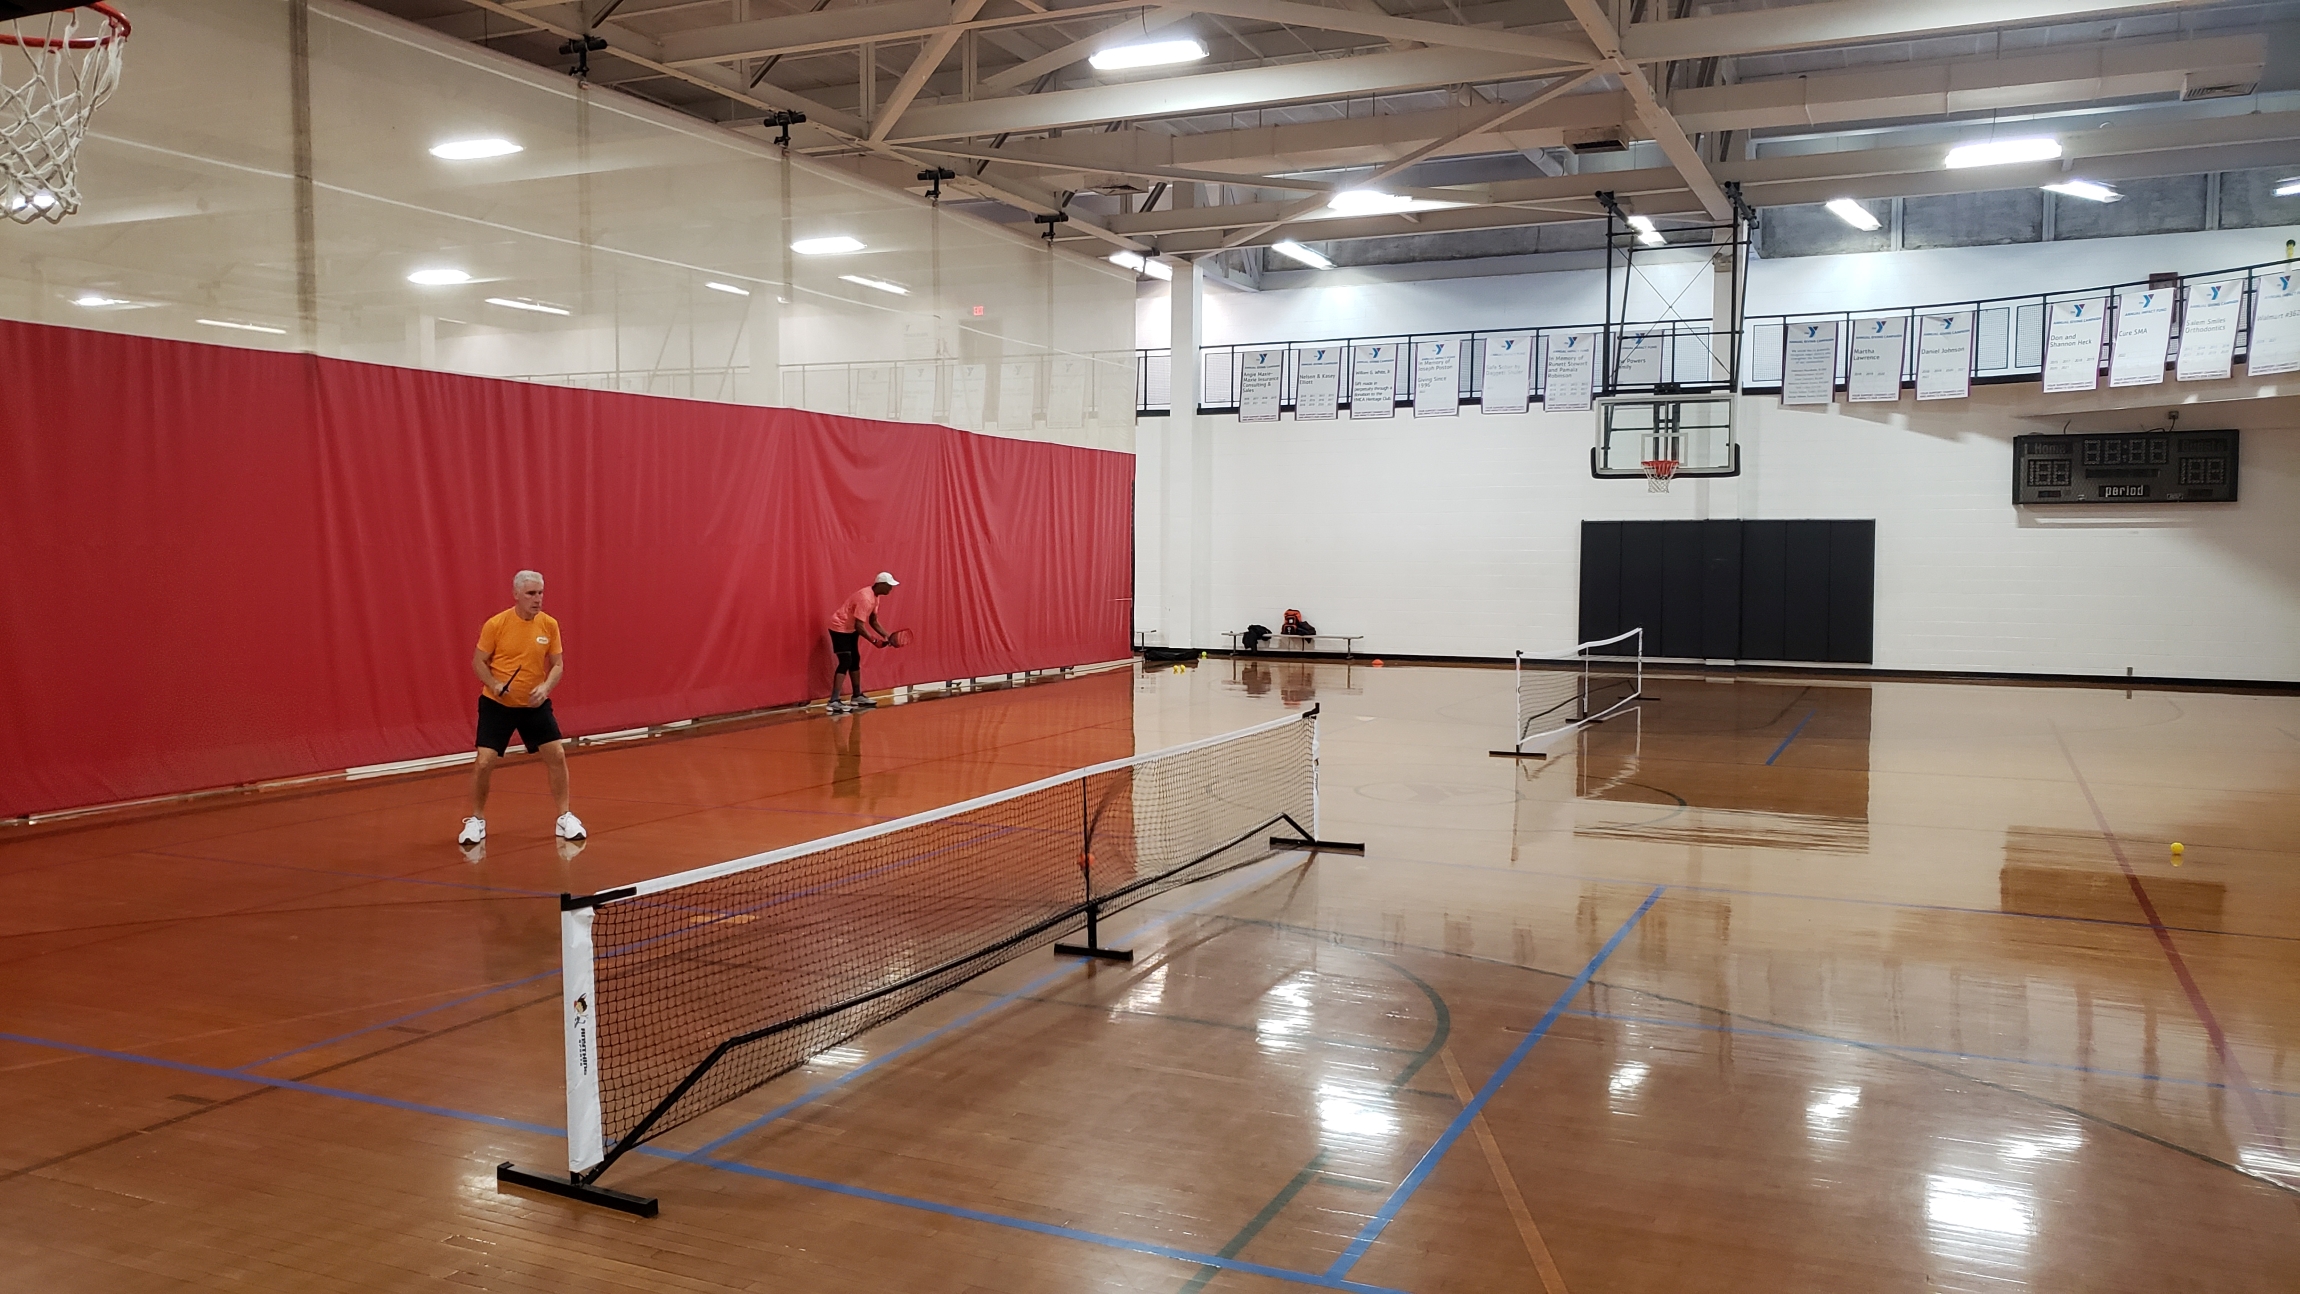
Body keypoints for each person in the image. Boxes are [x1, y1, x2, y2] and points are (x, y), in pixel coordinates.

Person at [459, 570, 584, 847]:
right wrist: (494, 683)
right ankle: (476, 820)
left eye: (540, 593)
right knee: (484, 761)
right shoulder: (496, 624)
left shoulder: (549, 625)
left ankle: (564, 816)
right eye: (531, 594)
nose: (537, 599)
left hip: (534, 704)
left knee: (557, 755)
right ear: (516, 594)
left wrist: (545, 688)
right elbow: (478, 662)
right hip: (497, 704)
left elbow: (558, 665)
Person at [827, 572, 898, 713]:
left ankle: (857, 696)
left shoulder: (875, 597)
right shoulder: (865, 598)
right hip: (839, 627)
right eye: (889, 586)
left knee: (855, 660)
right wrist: (874, 641)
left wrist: (887, 635)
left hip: (850, 628)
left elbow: (873, 621)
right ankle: (833, 701)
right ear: (880, 584)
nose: (891, 589)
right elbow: (860, 626)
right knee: (846, 660)